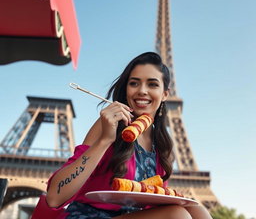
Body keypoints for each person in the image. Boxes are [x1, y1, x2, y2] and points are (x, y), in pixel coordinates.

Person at [32, 52, 212, 219]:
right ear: (126, 89)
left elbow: (154, 204)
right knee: (176, 215)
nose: (142, 90)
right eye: (134, 83)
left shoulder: (163, 145)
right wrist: (104, 140)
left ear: (165, 94)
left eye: (152, 84)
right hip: (88, 216)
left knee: (197, 210)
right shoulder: (109, 124)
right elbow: (55, 197)